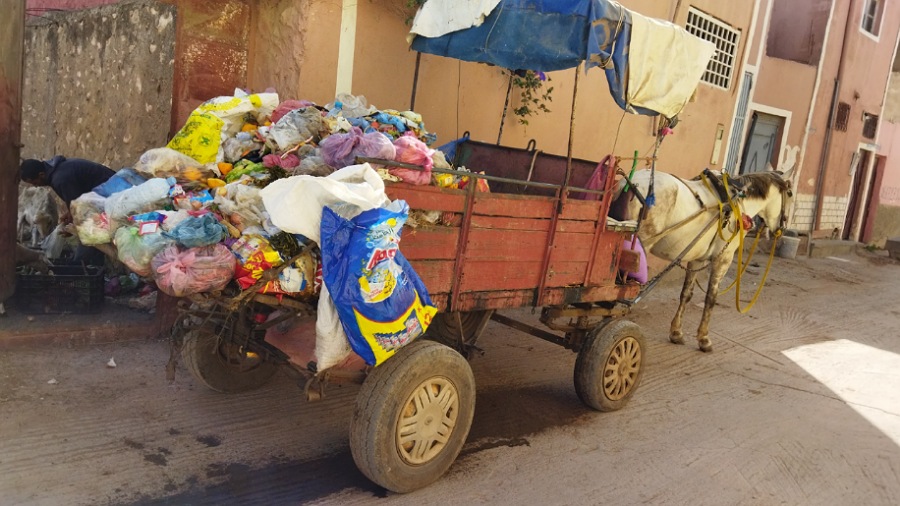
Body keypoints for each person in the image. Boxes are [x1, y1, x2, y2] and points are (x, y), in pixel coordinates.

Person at [20, 156, 116, 266]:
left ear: (41, 175)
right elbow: (77, 201)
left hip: (113, 197)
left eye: (34, 182)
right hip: (107, 195)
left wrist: (73, 228)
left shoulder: (60, 180)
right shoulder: (58, 169)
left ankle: (84, 266)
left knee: (87, 240)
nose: (36, 186)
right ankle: (91, 265)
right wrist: (70, 214)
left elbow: (81, 211)